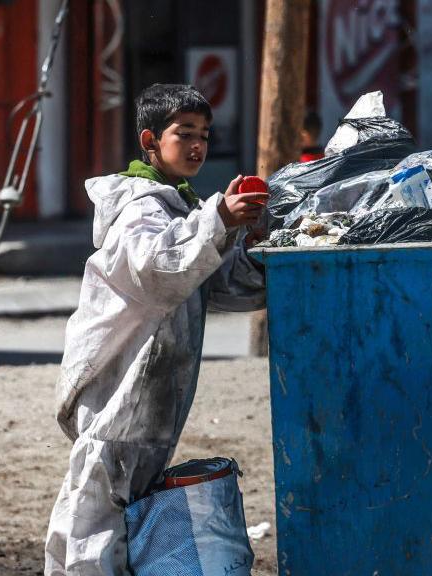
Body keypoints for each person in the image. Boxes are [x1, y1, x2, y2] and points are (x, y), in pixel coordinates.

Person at [44, 84, 268, 575]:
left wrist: (254, 249)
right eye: (183, 133)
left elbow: (213, 282)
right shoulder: (140, 209)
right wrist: (217, 219)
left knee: (122, 521)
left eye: (204, 135)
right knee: (93, 525)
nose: (197, 146)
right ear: (150, 140)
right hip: (116, 397)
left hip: (150, 405)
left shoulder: (178, 209)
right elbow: (159, 271)